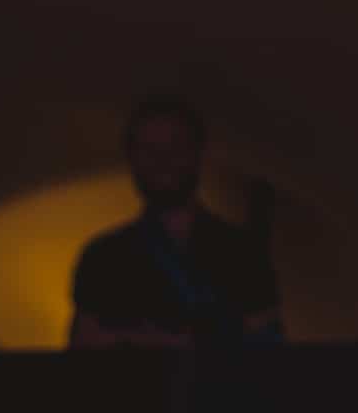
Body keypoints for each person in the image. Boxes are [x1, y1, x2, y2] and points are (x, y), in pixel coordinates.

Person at [69, 94, 283, 348]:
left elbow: (268, 351)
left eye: (176, 145)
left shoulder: (243, 253)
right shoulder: (103, 258)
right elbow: (85, 353)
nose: (163, 159)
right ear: (132, 157)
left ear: (198, 152)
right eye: (148, 149)